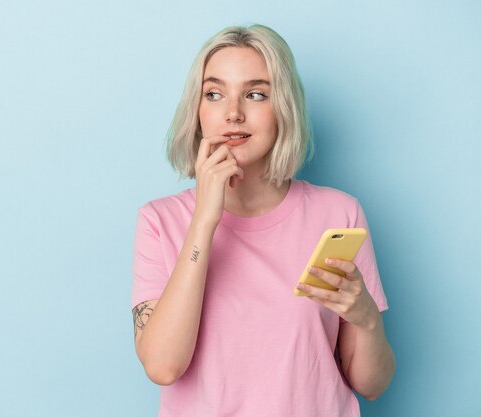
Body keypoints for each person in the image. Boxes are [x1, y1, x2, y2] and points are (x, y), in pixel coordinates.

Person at [131, 24, 395, 417]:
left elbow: (371, 386)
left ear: (283, 107)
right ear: (198, 111)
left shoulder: (338, 214)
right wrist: (205, 218)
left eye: (256, 94)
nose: (233, 113)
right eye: (214, 94)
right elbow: (163, 366)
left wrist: (367, 319)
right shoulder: (160, 221)